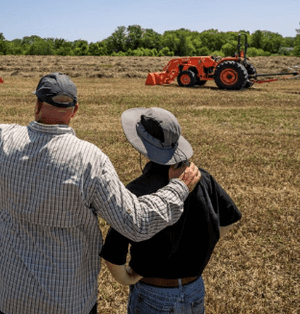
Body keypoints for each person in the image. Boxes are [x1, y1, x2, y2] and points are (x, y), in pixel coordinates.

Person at [0, 73, 202, 314]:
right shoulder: (90, 159)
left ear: (36, 104)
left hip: (11, 296)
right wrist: (179, 188)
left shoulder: (3, 139)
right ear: (74, 111)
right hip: (68, 301)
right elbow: (136, 223)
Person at [100, 107, 241, 314]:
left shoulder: (135, 191)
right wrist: (205, 244)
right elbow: (229, 219)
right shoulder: (202, 178)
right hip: (195, 289)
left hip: (153, 293)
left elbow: (113, 257)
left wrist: (130, 277)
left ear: (142, 146)